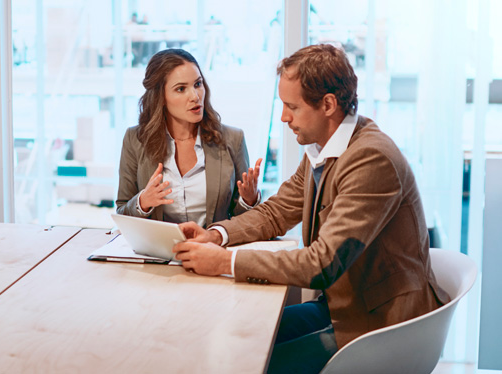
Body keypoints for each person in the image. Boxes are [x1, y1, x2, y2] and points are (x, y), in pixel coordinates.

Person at [173, 44, 450, 373]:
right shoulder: (326, 148)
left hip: (378, 325)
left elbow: (322, 264)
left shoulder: (371, 158)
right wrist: (217, 236)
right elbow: (277, 211)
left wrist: (225, 261)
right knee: (232, 337)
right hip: (341, 306)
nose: (284, 117)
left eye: (292, 106)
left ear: (328, 105)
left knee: (246, 362)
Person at [116, 48, 262, 228]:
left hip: (211, 249)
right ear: (160, 97)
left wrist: (249, 200)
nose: (195, 96)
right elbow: (122, 212)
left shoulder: (233, 139)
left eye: (198, 84)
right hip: (158, 253)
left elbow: (244, 220)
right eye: (181, 89)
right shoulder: (135, 139)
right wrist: (143, 202)